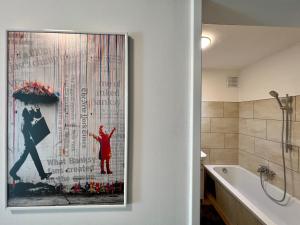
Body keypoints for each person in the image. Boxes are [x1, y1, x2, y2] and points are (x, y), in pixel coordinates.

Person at [9, 104, 52, 181]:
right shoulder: (26, 122)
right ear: (26, 115)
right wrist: (36, 110)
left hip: (29, 143)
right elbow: (36, 117)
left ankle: (42, 175)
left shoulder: (24, 121)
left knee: (32, 159)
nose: (30, 114)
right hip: (29, 143)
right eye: (29, 113)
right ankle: (12, 172)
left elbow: (36, 116)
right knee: (29, 159)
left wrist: (36, 110)